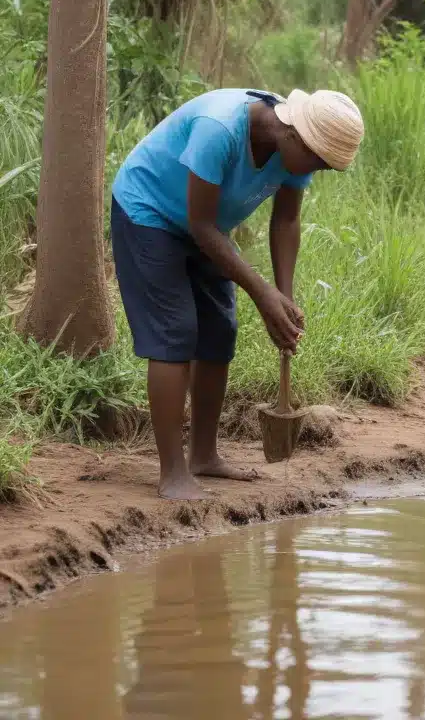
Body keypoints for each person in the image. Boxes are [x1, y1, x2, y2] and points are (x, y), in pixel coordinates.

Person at [111, 87, 363, 500]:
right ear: (295, 135)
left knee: (219, 330)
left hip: (206, 227)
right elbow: (201, 226)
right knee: (175, 332)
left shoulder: (297, 148)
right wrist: (262, 295)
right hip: (150, 212)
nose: (316, 171)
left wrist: (284, 298)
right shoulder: (220, 130)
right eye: (317, 161)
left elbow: (286, 221)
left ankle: (204, 456)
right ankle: (172, 472)